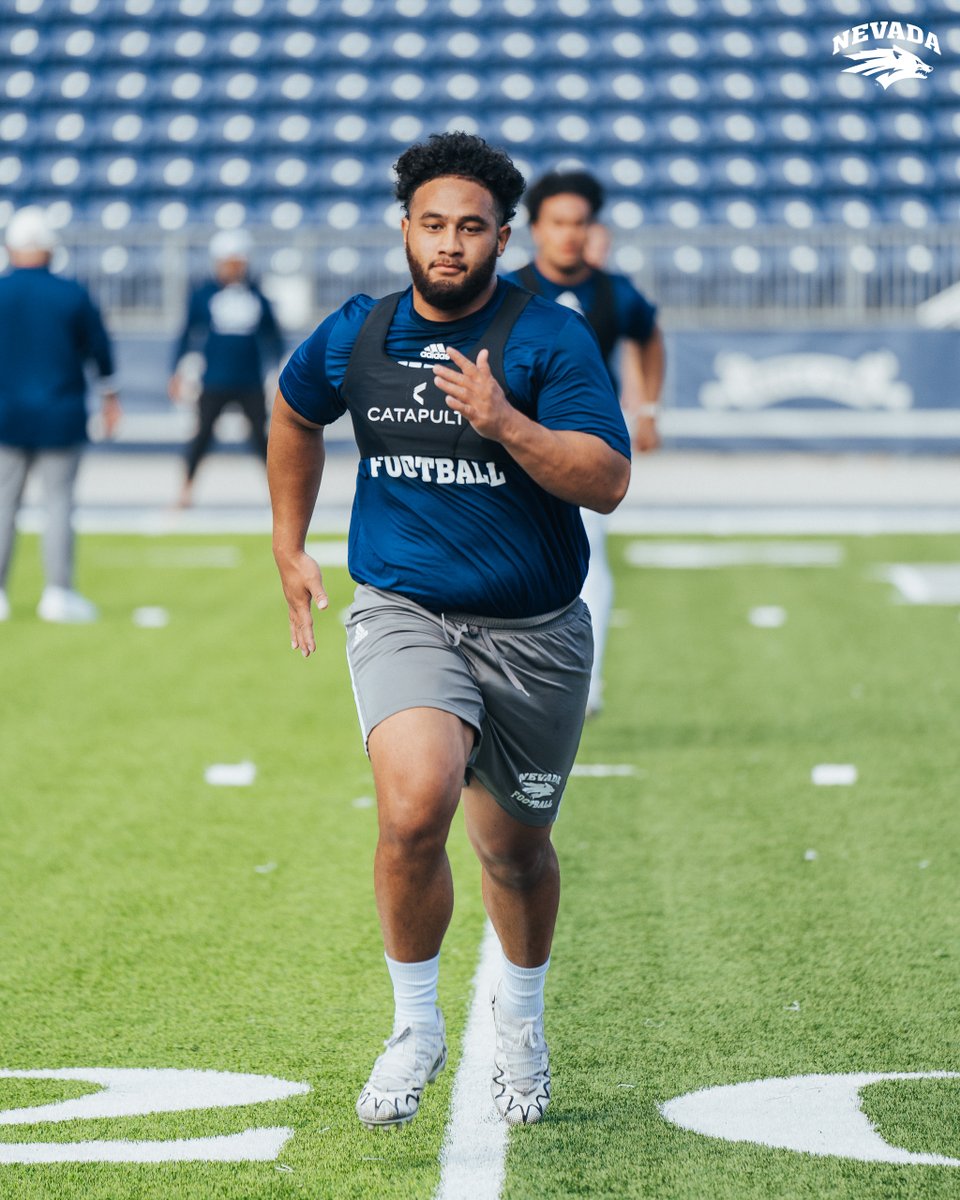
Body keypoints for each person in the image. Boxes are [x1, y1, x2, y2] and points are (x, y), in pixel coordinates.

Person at [268, 132, 631, 1130]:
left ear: (503, 238)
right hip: (405, 610)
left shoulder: (548, 337)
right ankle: (416, 1023)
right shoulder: (360, 331)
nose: (450, 244)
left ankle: (519, 1022)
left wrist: (506, 423)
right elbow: (295, 412)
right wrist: (288, 544)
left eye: (471, 227)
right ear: (406, 230)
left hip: (536, 632)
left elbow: (606, 480)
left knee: (515, 851)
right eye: (433, 224)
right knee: (415, 804)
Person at [505, 170, 666, 716]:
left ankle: (585, 683)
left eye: (579, 223)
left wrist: (647, 409)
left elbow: (649, 334)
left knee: (588, 557)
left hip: (586, 444)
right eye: (557, 223)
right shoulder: (508, 290)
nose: (568, 234)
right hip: (515, 443)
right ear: (535, 228)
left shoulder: (615, 292)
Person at [0, 206, 120, 624]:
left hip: (7, 415)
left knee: (2, 506)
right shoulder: (71, 293)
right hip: (60, 413)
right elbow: (101, 353)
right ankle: (58, 592)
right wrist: (110, 397)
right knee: (58, 505)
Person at [169, 228, 283, 507]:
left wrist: (279, 371)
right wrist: (176, 372)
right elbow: (186, 334)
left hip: (250, 379)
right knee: (202, 435)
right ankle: (185, 490)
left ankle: (279, 494)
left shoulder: (257, 295)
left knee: (261, 437)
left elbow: (274, 337)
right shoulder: (203, 295)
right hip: (215, 379)